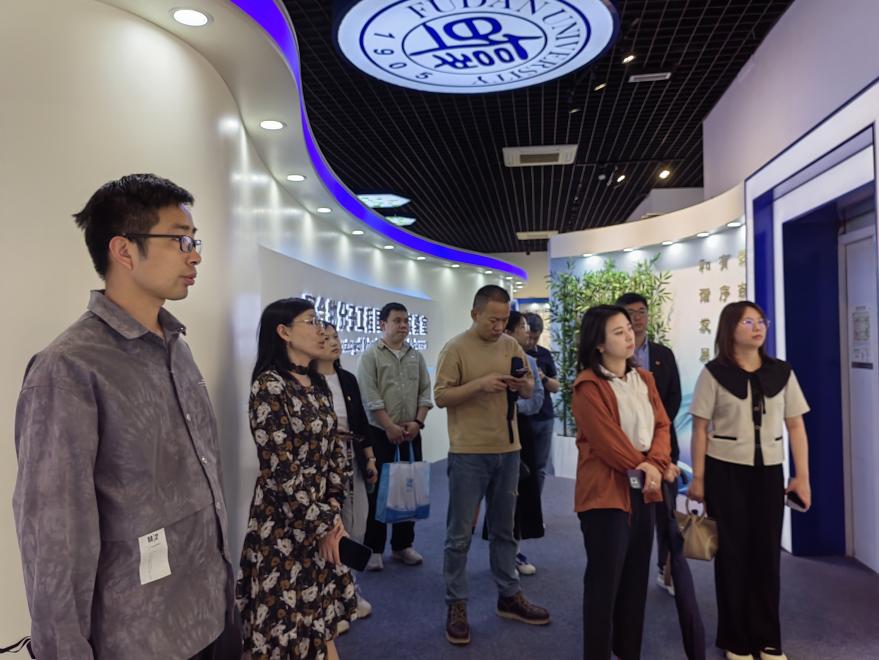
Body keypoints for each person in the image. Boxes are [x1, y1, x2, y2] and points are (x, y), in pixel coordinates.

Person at [13, 174, 238, 659]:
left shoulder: (176, 346)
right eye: (180, 240)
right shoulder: (68, 367)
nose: (195, 256)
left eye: (194, 241)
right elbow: (54, 537)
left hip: (211, 613)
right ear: (124, 250)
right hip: (140, 638)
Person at [687, 301, 811, 660]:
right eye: (748, 322)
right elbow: (700, 429)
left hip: (769, 473)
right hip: (725, 472)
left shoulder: (782, 373)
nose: (758, 328)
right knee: (732, 555)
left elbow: (796, 426)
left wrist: (802, 476)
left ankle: (768, 638)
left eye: (761, 321)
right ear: (730, 329)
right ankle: (736, 640)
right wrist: (698, 478)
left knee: (767, 555)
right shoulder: (713, 373)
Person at [237, 299, 357, 660]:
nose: (321, 330)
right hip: (282, 527)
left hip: (321, 516)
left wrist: (332, 510)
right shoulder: (269, 386)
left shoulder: (317, 383)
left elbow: (334, 450)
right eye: (311, 321)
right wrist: (323, 525)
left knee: (318, 621)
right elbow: (281, 471)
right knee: (282, 628)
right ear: (284, 332)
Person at [434, 285, 550, 647]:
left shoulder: (511, 346)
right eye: (493, 320)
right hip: (468, 452)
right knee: (459, 534)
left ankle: (508, 595)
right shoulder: (455, 348)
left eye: (504, 320)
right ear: (475, 314)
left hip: (509, 449)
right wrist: (480, 385)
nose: (500, 326)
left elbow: (529, 390)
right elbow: (441, 397)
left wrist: (520, 384)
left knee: (505, 529)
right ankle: (456, 604)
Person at [571, 305, 671, 660]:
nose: (629, 335)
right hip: (605, 496)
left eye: (629, 328)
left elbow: (662, 425)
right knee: (604, 583)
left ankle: (629, 652)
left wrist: (655, 464)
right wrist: (645, 466)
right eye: (618, 332)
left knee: (635, 580)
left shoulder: (644, 379)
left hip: (645, 490)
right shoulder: (588, 385)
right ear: (599, 344)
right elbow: (607, 441)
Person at [615, 292, 683, 595]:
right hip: (626, 449)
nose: (637, 318)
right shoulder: (613, 357)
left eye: (642, 311)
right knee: (629, 511)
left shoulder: (662, 354)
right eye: (630, 313)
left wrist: (656, 433)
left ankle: (665, 569)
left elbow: (674, 397)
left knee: (666, 511)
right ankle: (627, 569)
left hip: (662, 445)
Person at [357, 302, 433, 570]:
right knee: (378, 491)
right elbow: (370, 397)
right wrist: (389, 426)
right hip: (380, 434)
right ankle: (374, 548)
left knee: (409, 487)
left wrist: (418, 422)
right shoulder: (370, 356)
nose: (403, 325)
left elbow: (425, 392)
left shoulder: (416, 356)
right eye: (397, 320)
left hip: (411, 433)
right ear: (383, 324)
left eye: (406, 321)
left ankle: (403, 545)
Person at [316, 323, 378, 624]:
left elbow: (361, 423)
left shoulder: (347, 379)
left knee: (358, 524)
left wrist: (370, 459)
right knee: (332, 529)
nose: (333, 342)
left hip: (352, 462)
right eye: (325, 338)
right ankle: (332, 597)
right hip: (323, 469)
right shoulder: (306, 381)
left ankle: (350, 588)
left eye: (336, 337)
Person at [506, 311, 545, 575]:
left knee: (522, 493)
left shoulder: (529, 361)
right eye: (522, 326)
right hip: (495, 435)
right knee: (501, 495)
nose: (527, 331)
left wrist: (510, 406)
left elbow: (536, 400)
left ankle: (515, 551)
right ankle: (502, 552)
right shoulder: (491, 360)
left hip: (522, 433)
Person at [523, 312, 561, 494]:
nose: (531, 342)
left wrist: (542, 377)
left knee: (540, 467)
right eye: (529, 337)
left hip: (544, 417)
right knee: (521, 466)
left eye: (535, 338)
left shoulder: (544, 354)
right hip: (523, 417)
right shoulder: (514, 353)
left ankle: (535, 508)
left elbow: (556, 387)